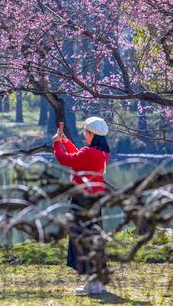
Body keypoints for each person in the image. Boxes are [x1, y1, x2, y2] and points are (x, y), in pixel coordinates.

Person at [53, 116, 110, 295]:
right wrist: (67, 142)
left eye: (86, 132)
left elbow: (66, 160)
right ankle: (97, 282)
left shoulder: (89, 152)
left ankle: (91, 283)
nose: (84, 134)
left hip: (81, 202)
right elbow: (78, 156)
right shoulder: (101, 152)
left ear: (92, 134)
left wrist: (56, 144)